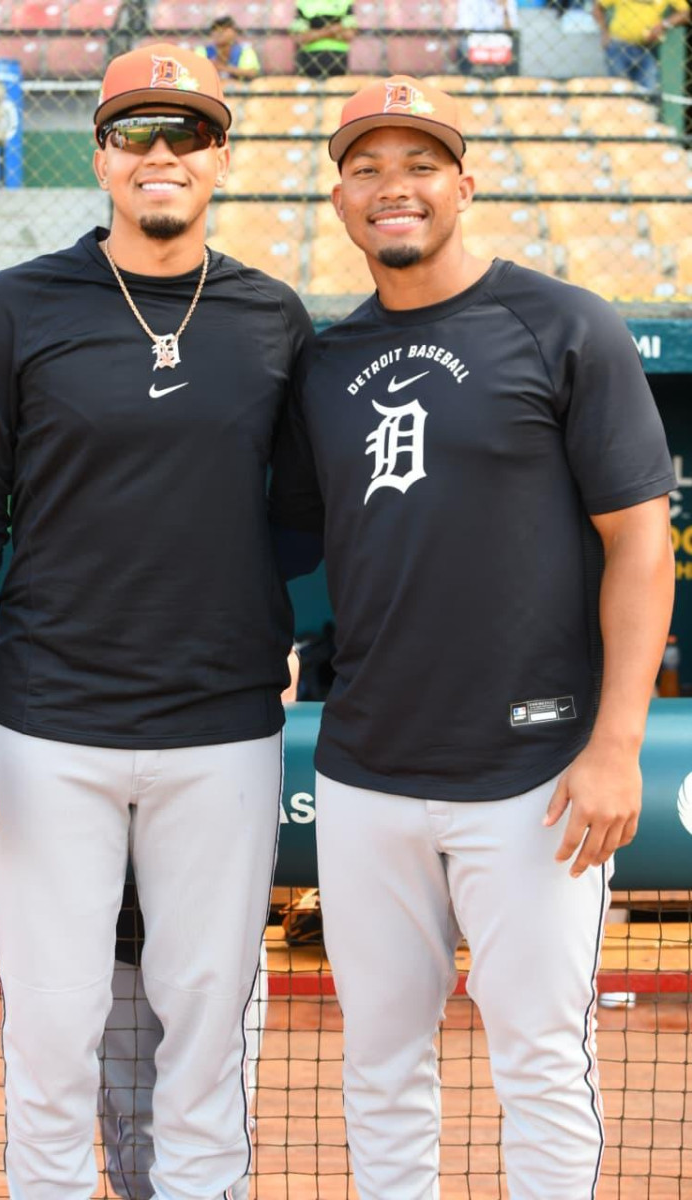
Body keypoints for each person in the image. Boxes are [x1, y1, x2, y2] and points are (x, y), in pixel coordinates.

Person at [269, 75, 677, 1199]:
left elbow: (639, 546)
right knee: (376, 1063)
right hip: (366, 771)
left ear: (463, 180)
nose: (391, 187)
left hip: (532, 777)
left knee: (541, 1061)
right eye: (365, 167)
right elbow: (281, 543)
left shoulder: (561, 324)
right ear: (339, 195)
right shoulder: (325, 362)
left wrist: (611, 745)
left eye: (417, 164)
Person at [0, 40, 312, 1200]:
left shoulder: (272, 317)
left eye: (185, 132)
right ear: (98, 154)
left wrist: (257, 620)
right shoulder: (15, 305)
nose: (160, 153)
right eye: (136, 131)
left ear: (220, 158)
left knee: (210, 1036)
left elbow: (303, 517)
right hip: (50, 725)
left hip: (221, 734)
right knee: (49, 1036)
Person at [97, 655, 299, 1198]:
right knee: (131, 1120)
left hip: (217, 925)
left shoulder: (231, 631)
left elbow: (283, 668)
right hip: (115, 934)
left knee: (213, 1109)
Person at [592, 0, 689, 90]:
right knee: (619, 90)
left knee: (647, 92)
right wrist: (604, 33)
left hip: (648, 49)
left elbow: (685, 12)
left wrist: (663, 25)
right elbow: (597, 8)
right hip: (619, 47)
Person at [291, 0, 357, 79]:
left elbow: (349, 34)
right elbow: (300, 37)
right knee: (310, 88)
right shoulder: (303, 2)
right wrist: (333, 30)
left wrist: (316, 33)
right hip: (310, 58)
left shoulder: (345, 2)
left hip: (338, 58)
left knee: (337, 88)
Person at [199, 14, 261, 82]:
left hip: (237, 87)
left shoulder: (244, 51)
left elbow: (252, 72)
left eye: (224, 29)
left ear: (234, 32)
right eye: (215, 29)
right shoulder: (202, 51)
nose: (220, 32)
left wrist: (222, 68)